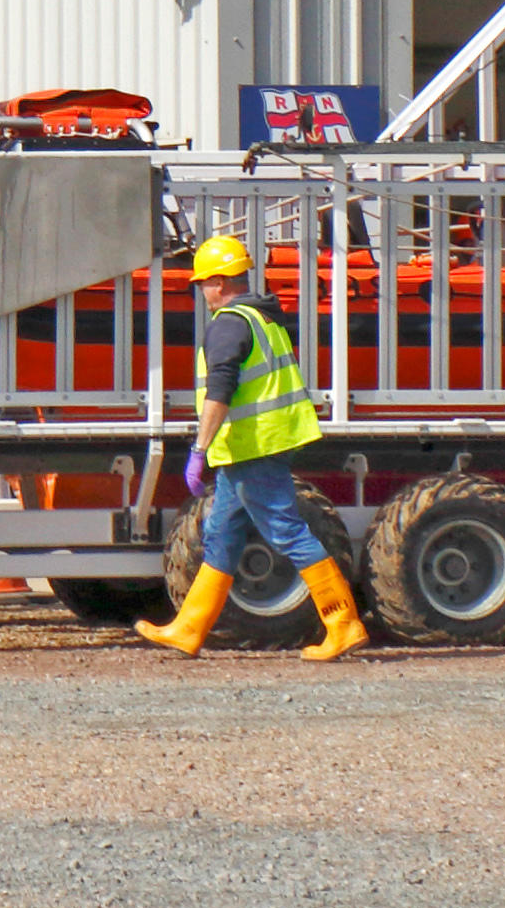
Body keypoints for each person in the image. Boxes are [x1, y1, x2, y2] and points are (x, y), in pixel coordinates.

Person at [137, 230, 370, 661]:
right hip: (263, 443)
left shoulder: (227, 325)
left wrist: (198, 449)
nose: (202, 290)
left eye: (204, 282)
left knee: (287, 531)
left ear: (221, 282)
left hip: (253, 447)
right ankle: (190, 628)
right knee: (221, 533)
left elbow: (220, 392)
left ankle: (343, 623)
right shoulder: (263, 319)